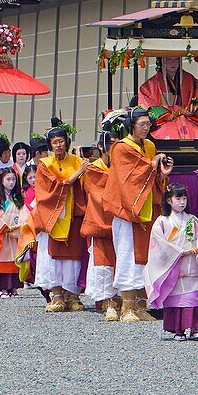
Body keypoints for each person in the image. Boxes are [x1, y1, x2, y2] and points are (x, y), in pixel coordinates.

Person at [105, 105, 172, 322]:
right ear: (131, 126)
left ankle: (142, 306)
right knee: (127, 255)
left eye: (148, 124)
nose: (146, 128)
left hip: (147, 207)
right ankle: (127, 307)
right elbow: (130, 176)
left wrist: (162, 173)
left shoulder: (150, 146)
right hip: (128, 209)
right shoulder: (120, 148)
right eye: (142, 124)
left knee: (147, 256)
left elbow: (151, 174)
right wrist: (153, 164)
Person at [30, 119, 88, 313]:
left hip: (73, 214)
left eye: (61, 141)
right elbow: (49, 189)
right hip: (53, 215)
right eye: (54, 142)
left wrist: (83, 170)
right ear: (50, 145)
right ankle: (56, 295)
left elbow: (85, 183)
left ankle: (73, 296)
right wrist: (77, 174)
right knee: (53, 257)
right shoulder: (45, 164)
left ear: (67, 142)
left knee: (73, 257)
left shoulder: (76, 161)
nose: (58, 145)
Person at [145, 183, 198, 341]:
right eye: (178, 198)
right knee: (176, 297)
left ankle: (196, 328)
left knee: (193, 296)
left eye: (184, 198)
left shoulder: (192, 220)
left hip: (191, 263)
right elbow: (158, 243)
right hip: (171, 265)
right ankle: (179, 328)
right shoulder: (162, 221)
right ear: (169, 200)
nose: (182, 202)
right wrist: (176, 252)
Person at [82, 113, 124, 320]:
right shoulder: (93, 169)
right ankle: (108, 303)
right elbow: (100, 195)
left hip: (121, 220)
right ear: (102, 147)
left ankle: (125, 301)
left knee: (123, 259)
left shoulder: (121, 167)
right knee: (104, 262)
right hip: (101, 221)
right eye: (111, 146)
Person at [138, 56, 198, 139]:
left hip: (188, 118)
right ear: (162, 61)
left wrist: (192, 109)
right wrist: (166, 115)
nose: (173, 63)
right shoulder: (150, 85)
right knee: (165, 135)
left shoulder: (189, 79)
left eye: (176, 59)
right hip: (164, 121)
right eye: (169, 59)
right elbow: (147, 105)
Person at [0, 167, 28, 298]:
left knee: (14, 261)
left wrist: (20, 226)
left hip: (15, 233)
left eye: (13, 179)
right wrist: (3, 227)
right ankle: (3, 288)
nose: (11, 182)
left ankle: (14, 287)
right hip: (2, 234)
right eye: (8, 179)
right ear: (1, 181)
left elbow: (24, 214)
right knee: (3, 260)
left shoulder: (18, 198)